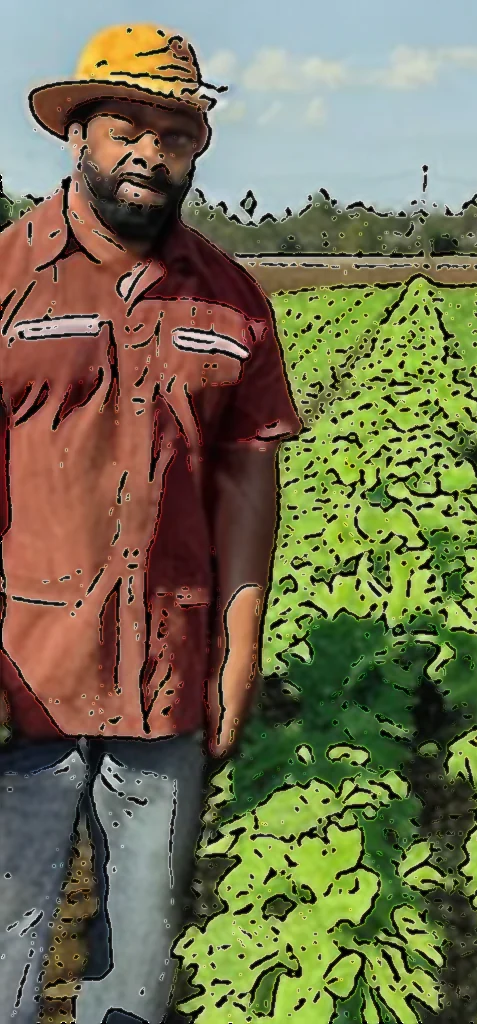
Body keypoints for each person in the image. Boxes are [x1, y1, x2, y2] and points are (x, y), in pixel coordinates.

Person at [0, 24, 304, 1024]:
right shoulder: (7, 279)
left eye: (172, 137)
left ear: (195, 152)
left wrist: (241, 643)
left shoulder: (232, 299)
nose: (148, 153)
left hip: (166, 664)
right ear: (77, 136)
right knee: (6, 935)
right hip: (21, 669)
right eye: (126, 128)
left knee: (137, 953)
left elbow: (247, 474)